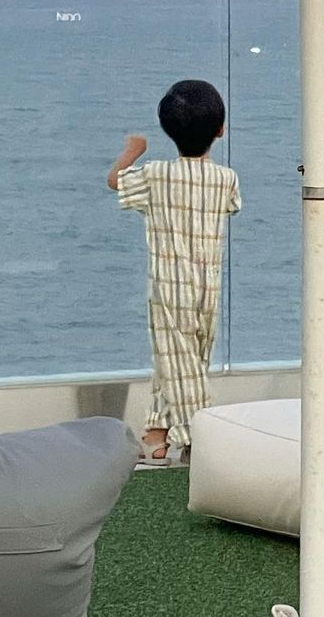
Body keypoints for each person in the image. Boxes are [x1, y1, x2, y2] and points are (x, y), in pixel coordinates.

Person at [107, 79, 240, 464]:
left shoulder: (156, 175)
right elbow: (233, 205)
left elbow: (115, 182)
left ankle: (200, 436)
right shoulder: (226, 178)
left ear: (168, 130)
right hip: (208, 287)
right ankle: (157, 434)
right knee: (186, 361)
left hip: (169, 288)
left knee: (177, 361)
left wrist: (132, 152)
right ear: (220, 130)